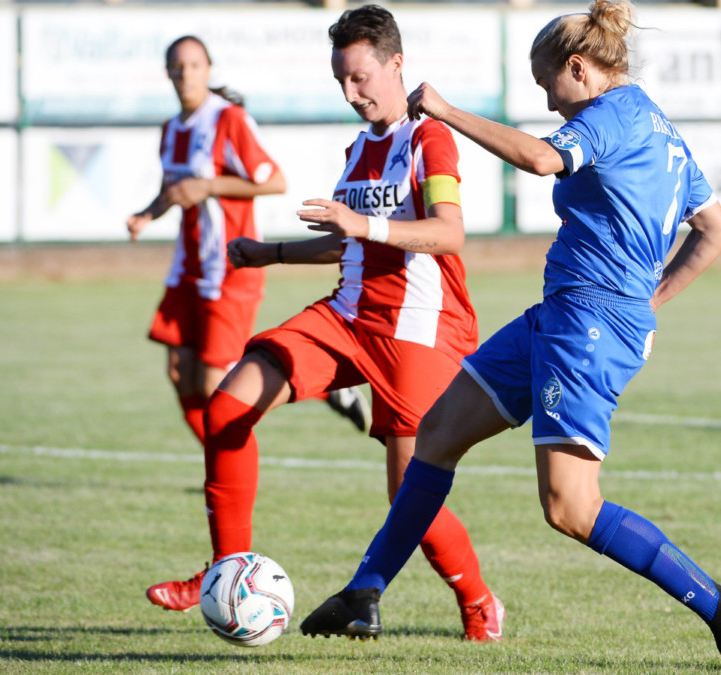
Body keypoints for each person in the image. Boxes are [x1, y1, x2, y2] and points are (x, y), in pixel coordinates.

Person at [301, 0, 721, 667]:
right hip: (564, 315)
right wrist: (651, 301)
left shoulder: (611, 115)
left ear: (580, 69)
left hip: (590, 325)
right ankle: (364, 591)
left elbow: (546, 161)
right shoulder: (659, 127)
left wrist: (447, 109)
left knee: (570, 506)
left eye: (550, 86)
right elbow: (716, 228)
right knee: (435, 435)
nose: (551, 103)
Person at [144, 5, 505, 643]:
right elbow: (349, 244)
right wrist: (272, 252)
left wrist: (361, 224)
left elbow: (449, 235)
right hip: (346, 314)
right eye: (341, 80)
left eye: (361, 77)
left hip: (417, 328)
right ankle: (225, 573)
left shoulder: (429, 139)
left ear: (397, 64)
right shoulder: (359, 147)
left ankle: (478, 601)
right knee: (226, 410)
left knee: (408, 492)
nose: (351, 92)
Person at [127, 35, 286, 467]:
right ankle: (220, 466)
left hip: (230, 268)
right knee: (180, 374)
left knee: (220, 387)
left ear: (208, 69)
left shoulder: (228, 120)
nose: (186, 74)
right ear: (167, 73)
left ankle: (322, 388)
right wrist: (147, 214)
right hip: (188, 268)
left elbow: (275, 181)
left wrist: (210, 185)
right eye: (177, 66)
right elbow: (174, 189)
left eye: (194, 65)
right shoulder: (171, 129)